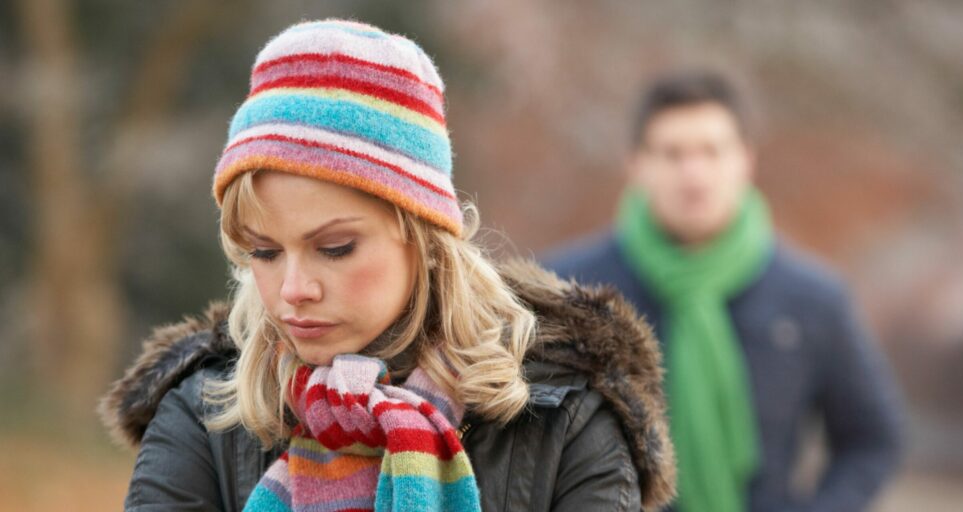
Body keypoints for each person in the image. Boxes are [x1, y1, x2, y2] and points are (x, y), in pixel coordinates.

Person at [97, 19, 677, 512]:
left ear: (423, 236)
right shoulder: (202, 417)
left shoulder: (566, 422)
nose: (293, 290)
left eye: (336, 248)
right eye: (265, 253)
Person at [542, 70, 904, 512]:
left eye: (712, 151)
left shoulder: (814, 298)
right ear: (635, 164)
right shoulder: (569, 290)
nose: (694, 174)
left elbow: (873, 439)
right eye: (672, 154)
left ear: (745, 161)